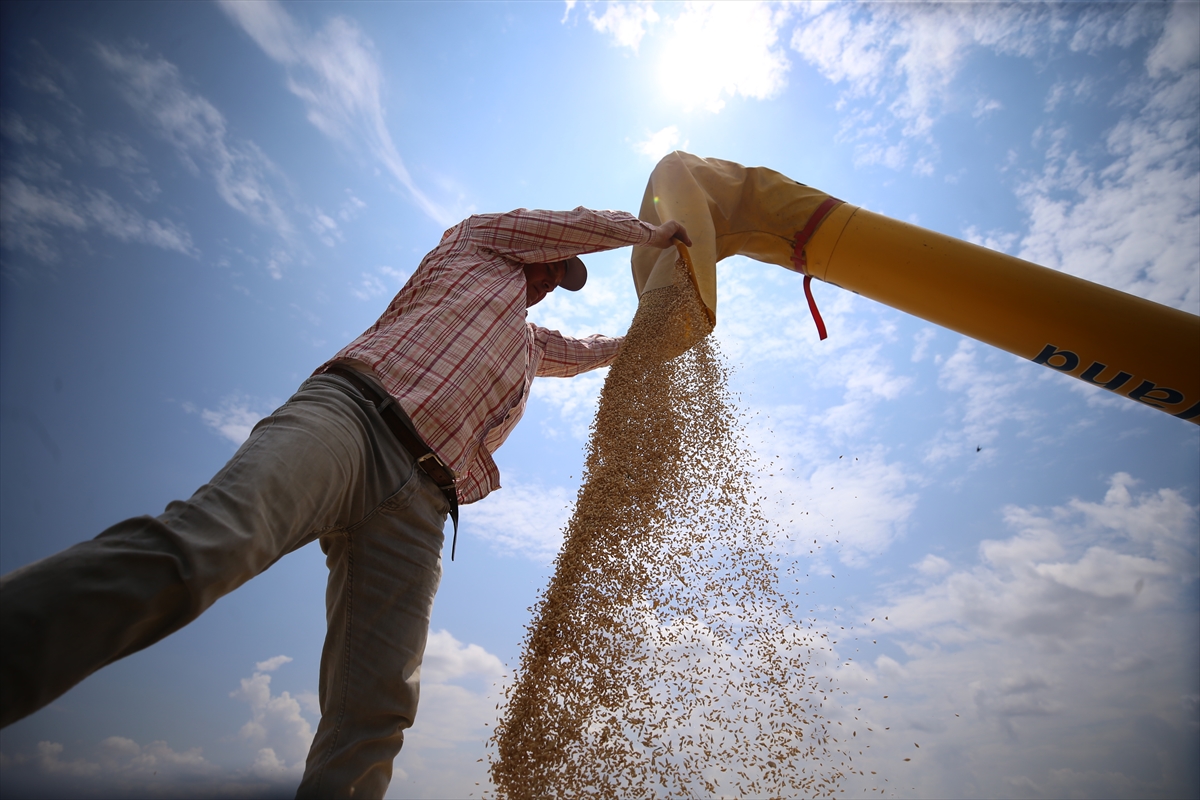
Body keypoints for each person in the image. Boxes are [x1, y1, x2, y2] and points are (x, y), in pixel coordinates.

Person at [0, 206, 692, 798]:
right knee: (206, 545)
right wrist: (651, 234)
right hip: (351, 418)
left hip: (423, 499)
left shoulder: (529, 343)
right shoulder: (475, 245)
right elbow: (561, 223)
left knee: (378, 704)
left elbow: (589, 349)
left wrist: (657, 338)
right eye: (547, 263)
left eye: (556, 280)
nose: (545, 279)